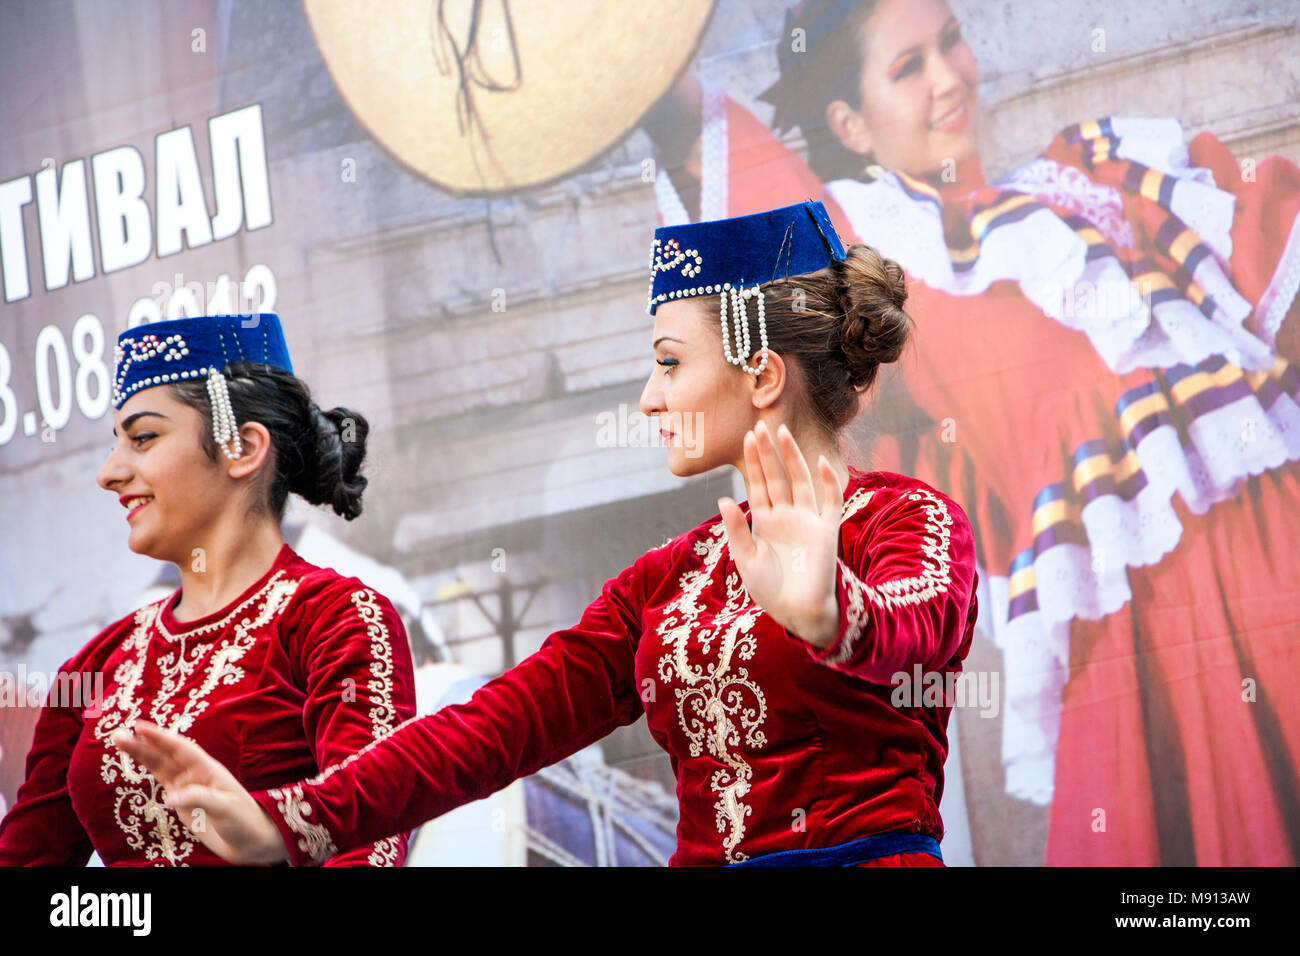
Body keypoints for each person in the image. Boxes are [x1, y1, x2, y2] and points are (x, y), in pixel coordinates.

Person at [113, 200, 980, 867]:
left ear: (760, 372)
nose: (649, 395)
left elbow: (920, 627)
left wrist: (835, 614)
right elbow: (490, 729)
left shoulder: (906, 519)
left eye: (669, 361)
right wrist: (290, 821)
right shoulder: (665, 581)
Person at [643, 0, 1300, 864]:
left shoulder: (1098, 173)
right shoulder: (881, 260)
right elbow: (743, 179)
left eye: (950, 42)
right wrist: (630, 60)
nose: (948, 76)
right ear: (851, 122)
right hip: (1149, 638)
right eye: (908, 67)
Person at [0, 313, 417, 866]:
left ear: (242, 447)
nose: (110, 472)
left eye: (143, 438)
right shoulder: (98, 663)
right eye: (115, 444)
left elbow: (370, 842)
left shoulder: (336, 620)